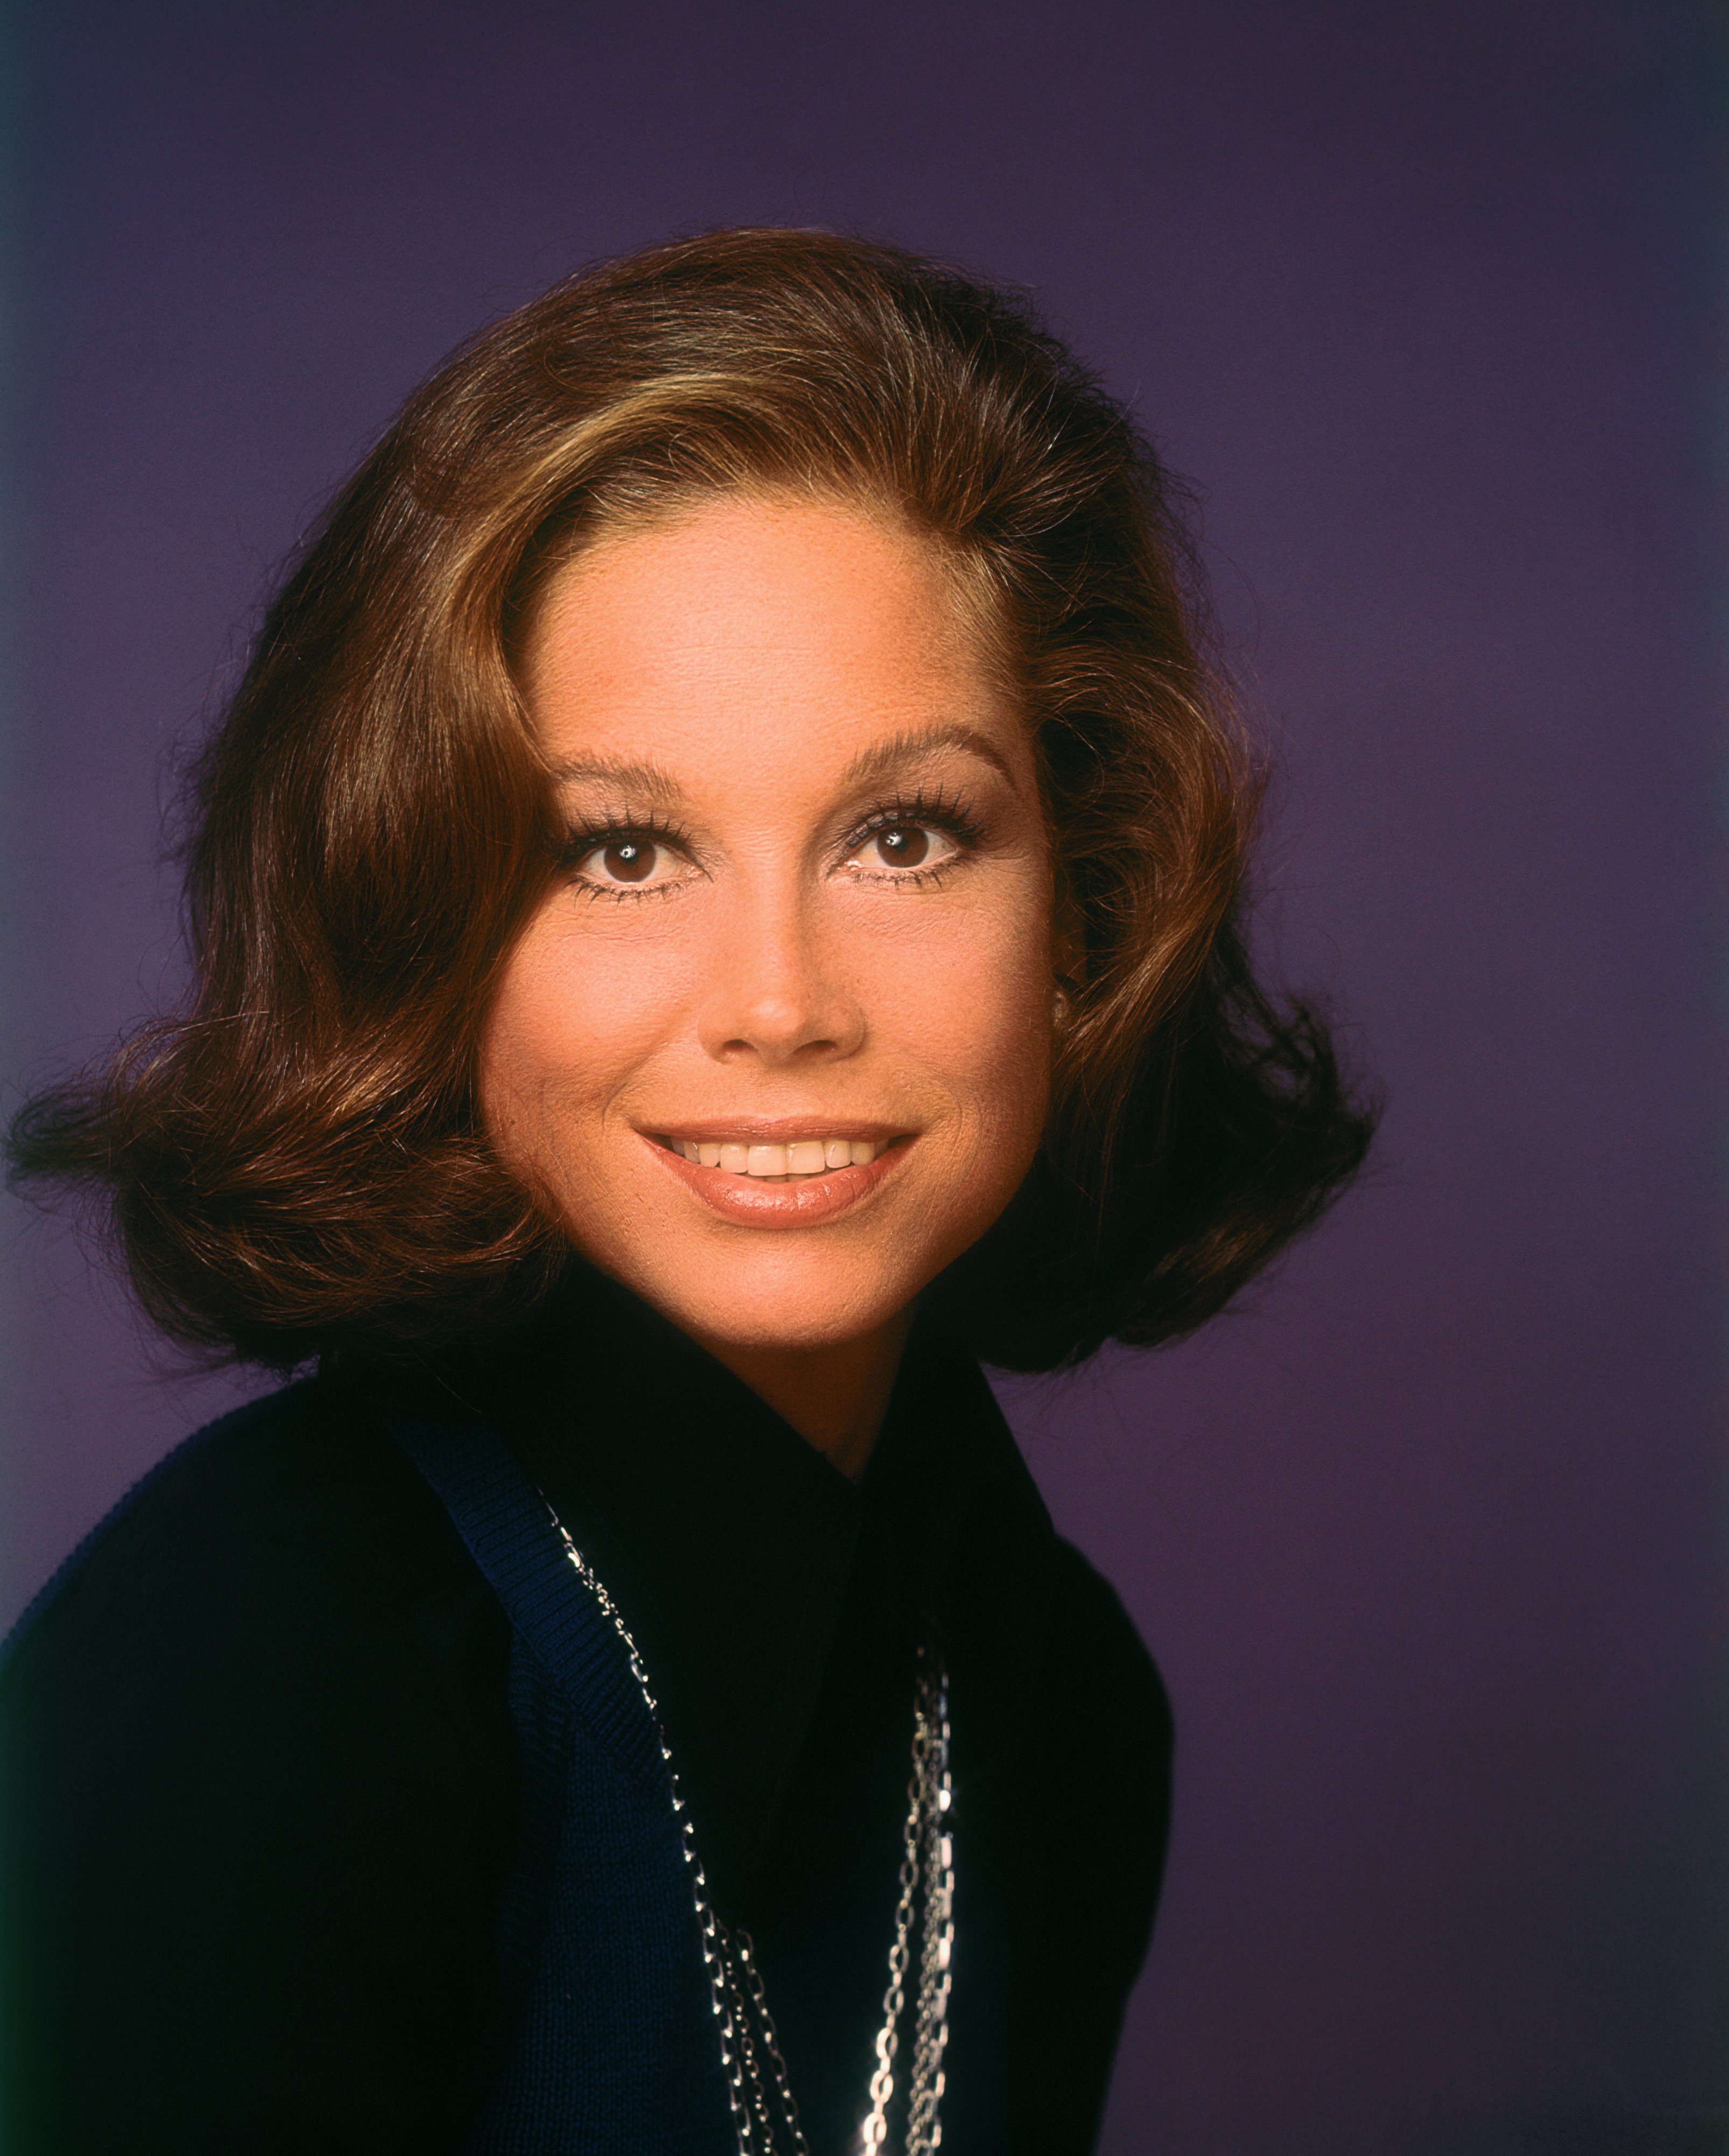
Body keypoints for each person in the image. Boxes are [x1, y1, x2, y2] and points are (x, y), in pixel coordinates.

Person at [0, 228, 1374, 2155]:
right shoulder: (249, 1691)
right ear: (434, 927)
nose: (783, 1004)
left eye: (906, 835)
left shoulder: (1052, 1699)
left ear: (1086, 908)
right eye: (627, 851)